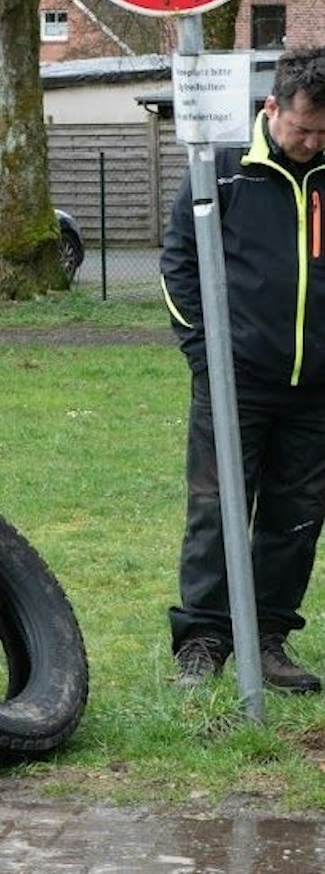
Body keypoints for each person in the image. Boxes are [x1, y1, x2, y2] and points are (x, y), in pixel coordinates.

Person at [161, 44, 325, 693]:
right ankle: (201, 640)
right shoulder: (222, 168)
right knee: (215, 508)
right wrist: (205, 354)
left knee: (295, 515)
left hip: (314, 390)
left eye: (322, 132)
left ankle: (268, 638)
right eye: (301, 128)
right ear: (271, 108)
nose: (311, 143)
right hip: (234, 382)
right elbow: (177, 260)